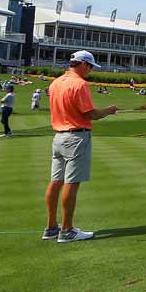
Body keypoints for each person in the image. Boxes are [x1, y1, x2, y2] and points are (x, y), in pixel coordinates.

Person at [43, 51, 118, 243]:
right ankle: (66, 230)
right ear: (83, 64)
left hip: (58, 136)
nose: (91, 71)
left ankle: (51, 227)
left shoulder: (56, 82)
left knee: (55, 181)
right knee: (71, 182)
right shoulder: (80, 84)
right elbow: (90, 114)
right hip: (76, 136)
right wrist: (109, 111)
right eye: (91, 66)